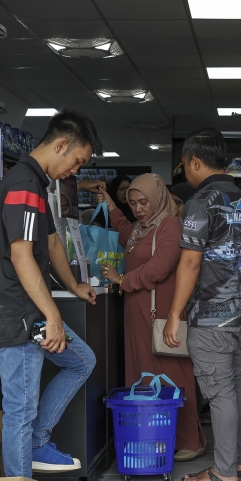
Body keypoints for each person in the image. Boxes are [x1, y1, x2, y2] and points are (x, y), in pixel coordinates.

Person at [0, 110, 102, 481]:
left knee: (81, 361)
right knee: (20, 408)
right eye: (78, 161)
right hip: (18, 312)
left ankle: (38, 442)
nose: (76, 170)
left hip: (29, 309)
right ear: (61, 145)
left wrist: (75, 283)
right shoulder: (23, 185)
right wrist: (51, 314)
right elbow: (20, 254)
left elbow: (49, 242)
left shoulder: (38, 184)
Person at [162, 128, 241, 481]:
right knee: (237, 384)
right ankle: (239, 461)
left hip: (213, 314)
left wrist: (174, 314)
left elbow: (190, 263)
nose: (184, 173)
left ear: (195, 161)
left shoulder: (202, 201)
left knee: (219, 392)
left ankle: (223, 470)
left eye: (185, 166)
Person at [97, 175, 207, 462]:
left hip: (162, 314)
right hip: (137, 313)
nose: (139, 208)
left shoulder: (170, 225)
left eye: (143, 202)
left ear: (158, 198)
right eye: (133, 203)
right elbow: (123, 230)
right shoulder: (138, 229)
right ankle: (154, 437)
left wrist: (122, 280)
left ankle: (190, 440)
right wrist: (110, 205)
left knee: (173, 373)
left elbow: (159, 268)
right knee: (143, 373)